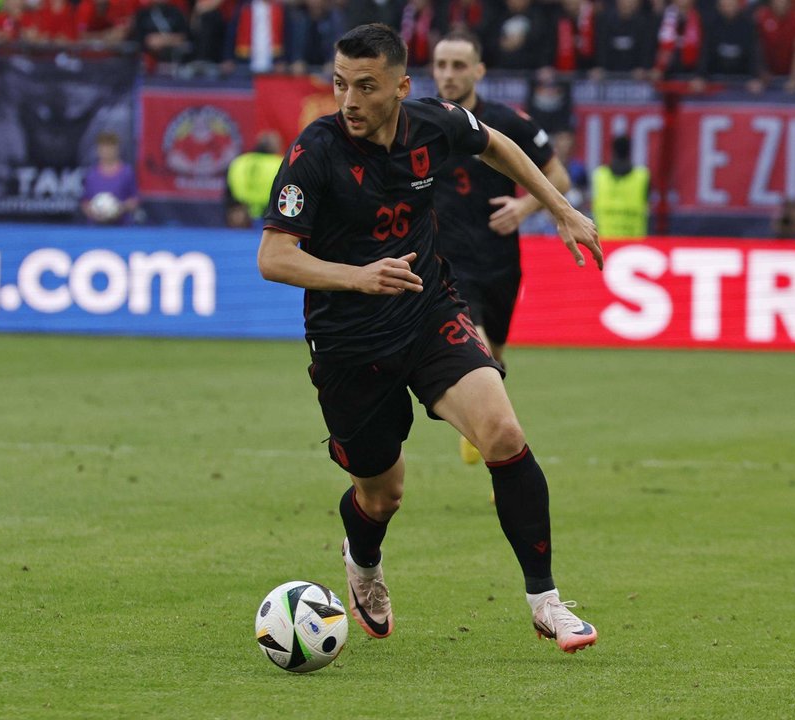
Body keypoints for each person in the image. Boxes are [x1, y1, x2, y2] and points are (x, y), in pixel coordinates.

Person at [257, 23, 602, 654]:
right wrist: (357, 277)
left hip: (427, 310)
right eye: (340, 84)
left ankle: (547, 602)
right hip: (348, 343)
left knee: (502, 432)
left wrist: (558, 207)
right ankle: (362, 562)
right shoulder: (317, 150)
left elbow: (496, 143)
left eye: (366, 86)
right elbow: (274, 257)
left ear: (400, 87)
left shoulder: (431, 123)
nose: (349, 100)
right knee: (382, 494)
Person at [431, 29, 571, 463]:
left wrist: (524, 207)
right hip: (447, 264)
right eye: (441, 65)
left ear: (479, 70)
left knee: (498, 359)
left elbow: (559, 179)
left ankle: (487, 433)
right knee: (481, 351)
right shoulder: (418, 123)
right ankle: (507, 460)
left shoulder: (507, 123)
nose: (448, 74)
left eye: (458, 65)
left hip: (500, 260)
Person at [591, 134, 650, 239]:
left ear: (612, 150)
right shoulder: (642, 176)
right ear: (630, 151)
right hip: (634, 246)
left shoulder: (599, 175)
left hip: (604, 243)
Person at [81, 131, 138, 225]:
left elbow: (135, 200)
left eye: (110, 147)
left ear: (117, 149)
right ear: (98, 150)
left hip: (121, 228)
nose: (106, 151)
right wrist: (93, 212)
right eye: (103, 148)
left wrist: (119, 208)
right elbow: (85, 201)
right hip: (95, 228)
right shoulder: (91, 174)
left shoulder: (127, 172)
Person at [226, 131, 283, 220]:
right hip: (269, 214)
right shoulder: (279, 163)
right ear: (274, 147)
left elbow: (228, 189)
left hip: (240, 214)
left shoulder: (240, 161)